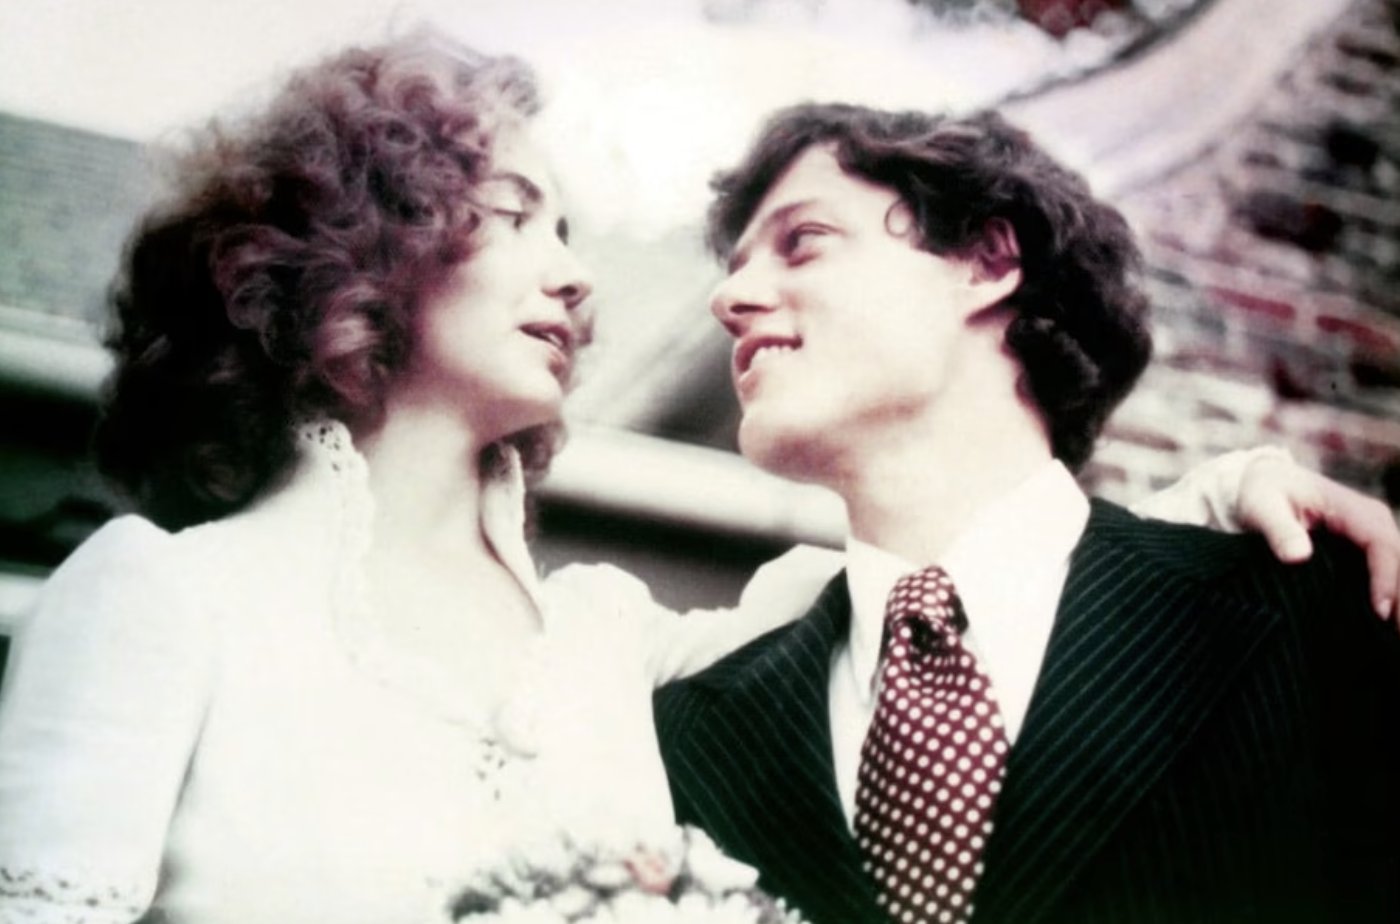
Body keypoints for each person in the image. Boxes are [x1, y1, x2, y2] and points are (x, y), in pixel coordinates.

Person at [0, 35, 1392, 924]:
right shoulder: (161, 596)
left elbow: (986, 578)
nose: (578, 277)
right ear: (354, 261)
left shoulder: (621, 647)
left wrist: (1219, 498)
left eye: (802, 243)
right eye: (516, 218)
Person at [654, 103, 1400, 924]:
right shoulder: (685, 737)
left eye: (803, 241)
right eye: (736, 265)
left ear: (987, 260)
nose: (730, 297)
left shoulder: (1314, 615)